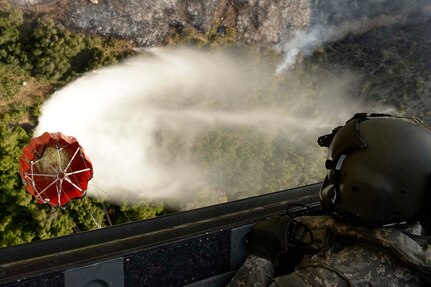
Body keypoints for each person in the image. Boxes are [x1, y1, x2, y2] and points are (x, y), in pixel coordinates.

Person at [226, 113, 431, 286]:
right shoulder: (418, 245)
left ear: (365, 191)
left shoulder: (328, 278)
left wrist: (262, 253)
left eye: (338, 175)